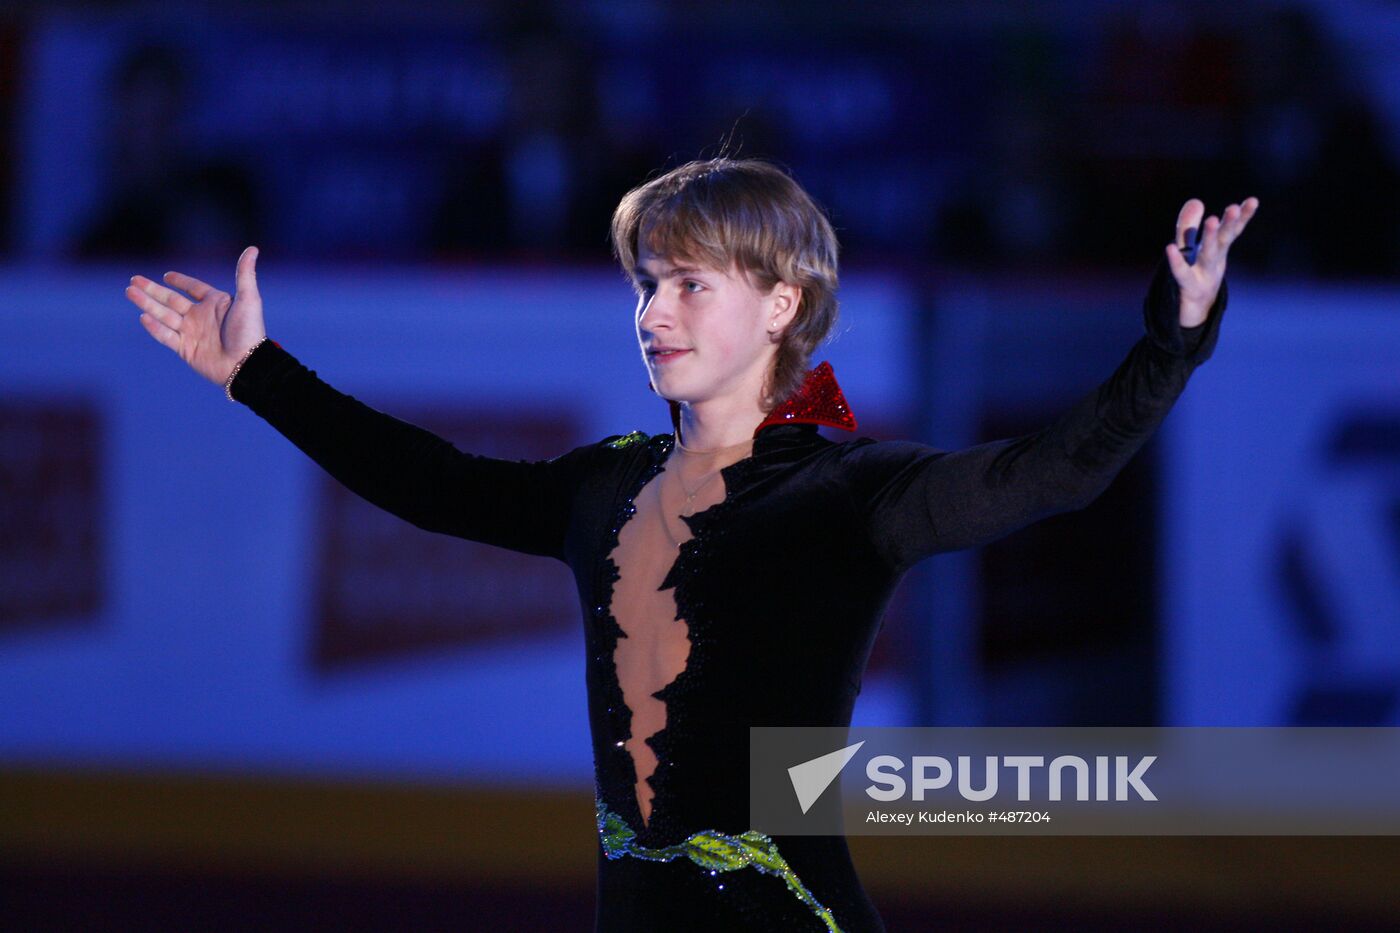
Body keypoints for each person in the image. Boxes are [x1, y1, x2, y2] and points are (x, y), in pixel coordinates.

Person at [124, 157, 1257, 932]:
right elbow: (432, 486)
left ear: (780, 305)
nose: (652, 312)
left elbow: (1056, 469)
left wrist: (1176, 336)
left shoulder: (849, 493)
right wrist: (257, 377)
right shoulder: (606, 484)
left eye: (688, 284)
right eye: (645, 283)